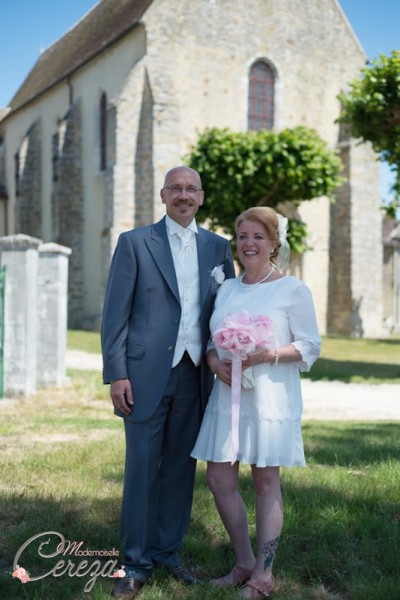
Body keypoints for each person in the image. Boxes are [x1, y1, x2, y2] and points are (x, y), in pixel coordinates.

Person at [101, 165, 235, 599]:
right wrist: (117, 372)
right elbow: (114, 315)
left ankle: (167, 554)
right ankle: (135, 563)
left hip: (197, 375)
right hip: (142, 375)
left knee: (180, 467)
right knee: (142, 468)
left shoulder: (218, 248)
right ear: (162, 195)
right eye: (175, 188)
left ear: (201, 196)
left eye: (191, 189)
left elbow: (226, 311)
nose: (183, 195)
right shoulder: (135, 243)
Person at [191, 206, 321, 599]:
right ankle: (244, 561)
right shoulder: (227, 288)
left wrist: (263, 355)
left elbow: (310, 345)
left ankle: (264, 575)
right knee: (218, 479)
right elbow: (213, 340)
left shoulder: (292, 289)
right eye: (243, 236)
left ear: (274, 243)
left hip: (268, 395)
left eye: (258, 237)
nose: (249, 244)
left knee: (265, 481)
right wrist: (215, 362)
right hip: (227, 394)